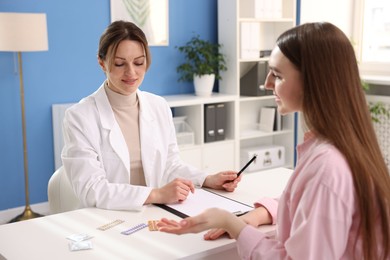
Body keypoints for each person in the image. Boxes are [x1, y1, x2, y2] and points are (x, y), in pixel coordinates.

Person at [157, 22, 390, 260]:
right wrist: (258, 214)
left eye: (277, 75)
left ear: (314, 81)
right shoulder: (343, 148)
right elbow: (306, 204)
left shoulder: (327, 168)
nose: (267, 83)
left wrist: (232, 223)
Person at [61, 20, 241, 211]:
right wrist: (156, 194)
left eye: (139, 62)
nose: (131, 72)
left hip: (152, 212)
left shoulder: (158, 106)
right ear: (101, 62)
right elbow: (92, 190)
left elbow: (170, 165)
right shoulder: (79, 117)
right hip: (106, 217)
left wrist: (206, 179)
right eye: (120, 63)